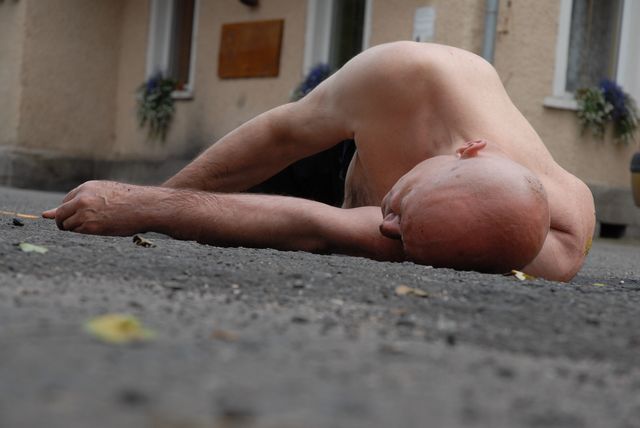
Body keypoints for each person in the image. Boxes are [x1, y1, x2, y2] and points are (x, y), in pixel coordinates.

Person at [43, 42, 595, 282]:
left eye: (401, 233)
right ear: (469, 150)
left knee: (241, 223)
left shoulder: (528, 246)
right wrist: (153, 194)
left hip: (370, 204)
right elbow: (280, 136)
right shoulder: (408, 74)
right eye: (401, 207)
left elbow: (313, 226)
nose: (387, 224)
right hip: (345, 157)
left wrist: (145, 209)